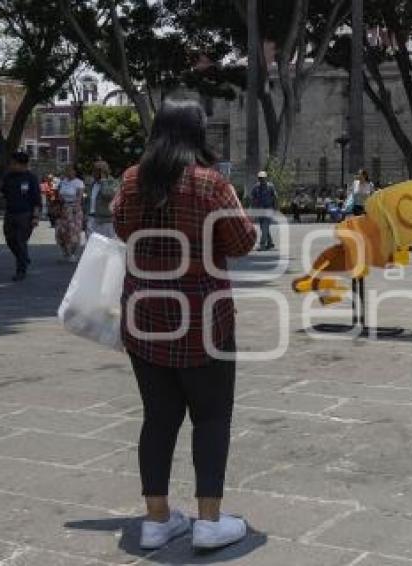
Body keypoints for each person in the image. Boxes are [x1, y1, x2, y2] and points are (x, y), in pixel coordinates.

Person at [112, 99, 257, 551]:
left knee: (158, 418)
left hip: (146, 319)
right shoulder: (211, 184)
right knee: (211, 418)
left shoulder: (132, 180)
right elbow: (244, 240)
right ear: (198, 135)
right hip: (203, 320)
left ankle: (157, 519)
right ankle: (208, 521)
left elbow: (120, 227)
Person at [0, 151, 41, 281]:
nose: (11, 165)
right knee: (10, 240)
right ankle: (23, 257)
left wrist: (35, 217)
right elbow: (3, 192)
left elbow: (36, 200)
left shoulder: (31, 178)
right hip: (10, 213)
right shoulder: (8, 176)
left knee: (20, 241)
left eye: (13, 163)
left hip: (25, 215)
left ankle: (20, 270)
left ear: (22, 164)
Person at [55, 164, 85, 262]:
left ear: (75, 171)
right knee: (61, 231)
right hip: (63, 208)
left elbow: (79, 197)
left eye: (70, 170)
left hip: (74, 209)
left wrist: (76, 208)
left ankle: (72, 253)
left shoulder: (79, 183)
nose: (68, 172)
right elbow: (59, 195)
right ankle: (65, 252)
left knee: (73, 232)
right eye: (66, 170)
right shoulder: (63, 182)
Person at [85, 160, 119, 239]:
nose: (93, 173)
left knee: (108, 246)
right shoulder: (92, 184)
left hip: (106, 221)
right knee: (91, 246)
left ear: (103, 172)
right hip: (92, 219)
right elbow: (88, 200)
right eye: (93, 171)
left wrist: (104, 181)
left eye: (96, 171)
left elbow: (108, 195)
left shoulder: (113, 182)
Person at [248, 170, 278, 250]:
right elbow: (252, 198)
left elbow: (275, 197)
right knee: (263, 227)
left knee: (265, 227)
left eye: (263, 178)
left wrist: (275, 208)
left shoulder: (270, 186)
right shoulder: (256, 187)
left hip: (268, 209)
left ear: (266, 178)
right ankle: (270, 243)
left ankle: (262, 245)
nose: (261, 179)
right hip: (260, 210)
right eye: (260, 178)